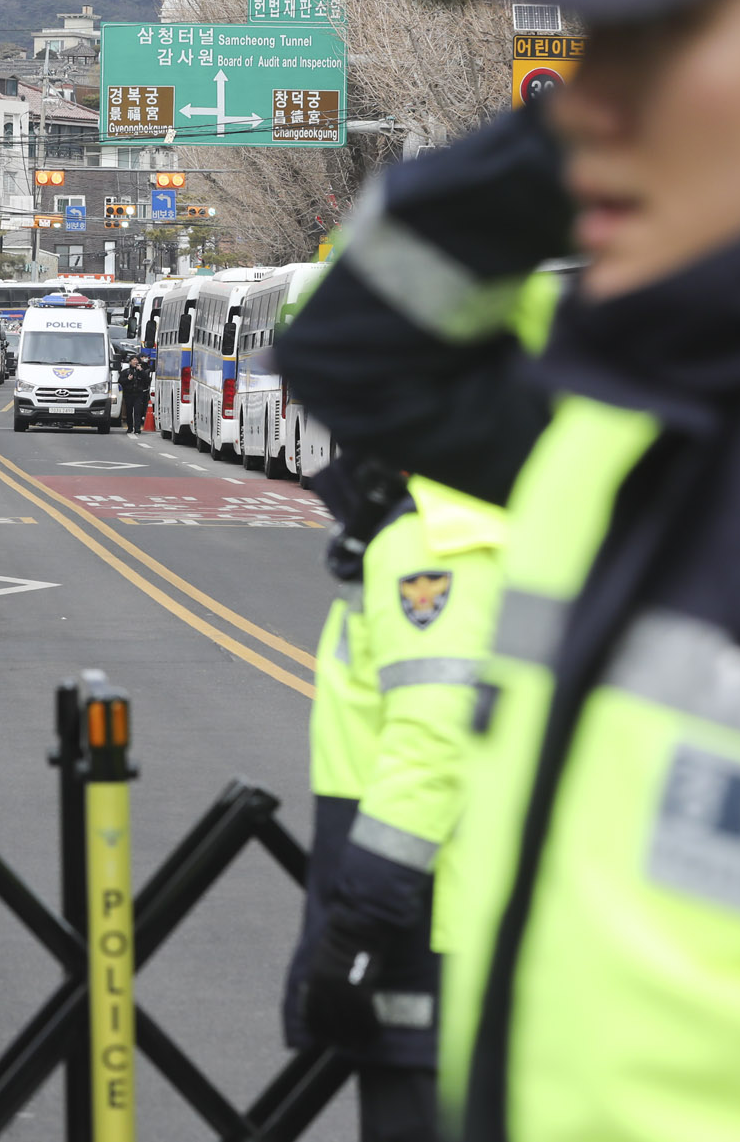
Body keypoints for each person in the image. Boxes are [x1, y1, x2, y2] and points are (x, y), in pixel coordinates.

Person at [277, 0, 740, 1139]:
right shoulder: (618, 434)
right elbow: (350, 346)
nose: (586, 100)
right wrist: (592, 138)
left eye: (661, 37)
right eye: (587, 47)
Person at [286, 454, 504, 1142]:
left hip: (425, 927)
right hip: (458, 920)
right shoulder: (471, 513)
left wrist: (356, 927)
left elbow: (433, 742)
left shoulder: (435, 538)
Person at [120, 352, 151, 435]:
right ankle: (130, 428)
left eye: (136, 360)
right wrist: (128, 379)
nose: (135, 362)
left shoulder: (141, 371)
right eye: (133, 360)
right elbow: (121, 381)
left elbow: (148, 380)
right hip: (128, 394)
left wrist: (141, 371)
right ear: (130, 362)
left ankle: (137, 428)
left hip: (138, 394)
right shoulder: (126, 371)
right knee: (129, 411)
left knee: (138, 411)